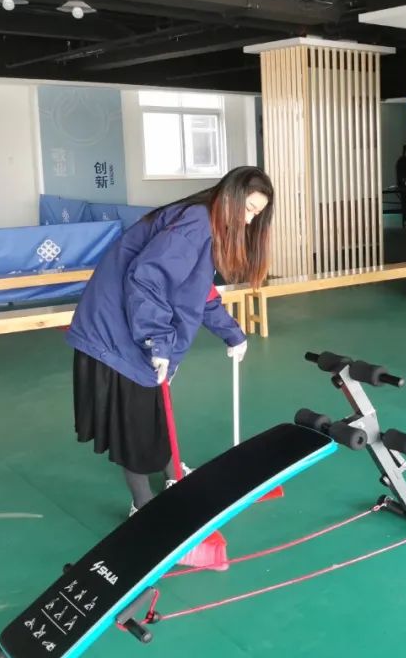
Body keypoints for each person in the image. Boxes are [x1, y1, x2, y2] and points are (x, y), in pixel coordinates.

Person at [67, 166, 274, 514]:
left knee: (156, 408)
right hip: (116, 329)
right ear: (231, 196)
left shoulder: (208, 223)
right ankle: (143, 507)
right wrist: (157, 340)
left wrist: (231, 332)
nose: (250, 221)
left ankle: (174, 475)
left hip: (131, 322)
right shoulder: (196, 222)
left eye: (256, 214)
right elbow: (147, 279)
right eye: (249, 209)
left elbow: (197, 290)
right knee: (136, 420)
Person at [396, 145, 406, 227]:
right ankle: (405, 221)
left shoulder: (401, 160)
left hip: (404, 185)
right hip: (404, 186)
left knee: (404, 204)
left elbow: (400, 175)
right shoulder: (403, 160)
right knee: (405, 204)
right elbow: (401, 174)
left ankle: (405, 221)